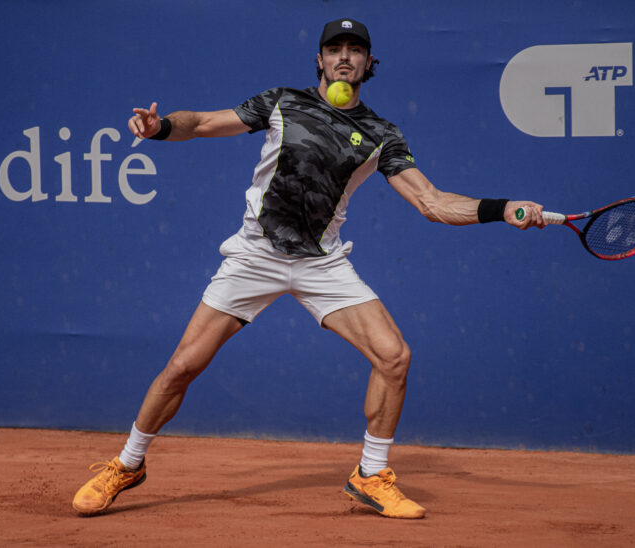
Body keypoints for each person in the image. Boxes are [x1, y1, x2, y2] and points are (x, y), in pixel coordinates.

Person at [72, 17, 545, 520]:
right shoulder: (283, 102)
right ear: (319, 60)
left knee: (394, 357)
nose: (344, 56)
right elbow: (206, 123)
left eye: (355, 49)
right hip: (256, 254)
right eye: (334, 48)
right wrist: (160, 126)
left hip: (321, 261)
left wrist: (502, 208)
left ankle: (369, 475)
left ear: (369, 64)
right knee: (183, 366)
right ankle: (127, 464)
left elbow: (431, 202)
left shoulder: (382, 134)